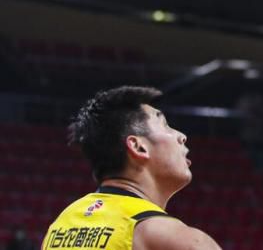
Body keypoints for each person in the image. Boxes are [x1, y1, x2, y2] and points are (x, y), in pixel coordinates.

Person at [43, 86, 220, 249]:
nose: (181, 136)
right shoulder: (172, 238)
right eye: (165, 124)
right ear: (138, 147)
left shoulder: (59, 227)